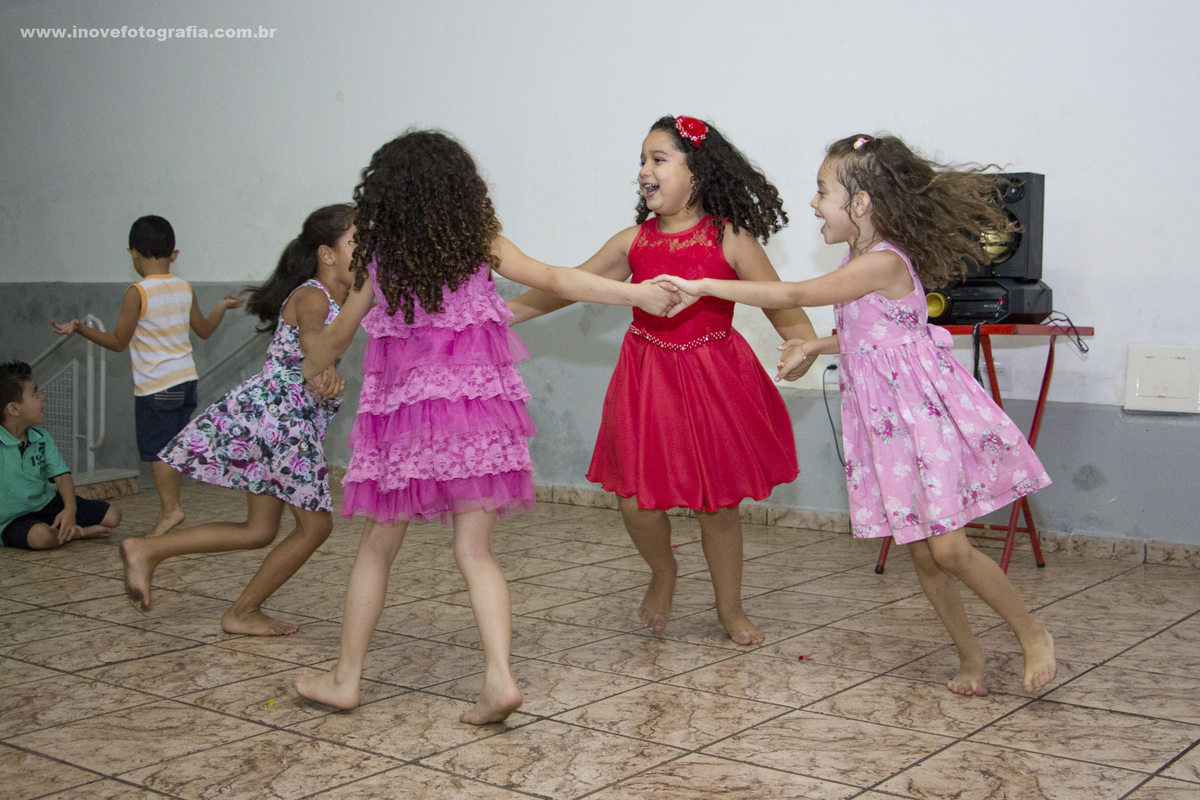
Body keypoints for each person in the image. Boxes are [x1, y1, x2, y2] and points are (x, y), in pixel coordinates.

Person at [292, 129, 678, 724]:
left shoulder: (379, 262)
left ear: (385, 196)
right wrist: (637, 295)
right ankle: (498, 678)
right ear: (460, 190)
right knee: (476, 552)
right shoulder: (481, 244)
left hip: (405, 427)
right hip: (478, 419)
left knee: (377, 546)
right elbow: (558, 278)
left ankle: (346, 679)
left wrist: (313, 362)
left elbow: (337, 337)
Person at [657, 133, 1057, 695]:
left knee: (948, 548)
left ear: (861, 202)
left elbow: (795, 293)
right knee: (922, 554)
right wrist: (813, 347)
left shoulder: (883, 263)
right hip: (889, 428)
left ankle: (1032, 634)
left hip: (922, 419)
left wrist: (702, 284)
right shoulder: (857, 261)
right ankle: (970, 656)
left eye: (823, 192)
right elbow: (869, 337)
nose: (814, 203)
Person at [507, 116, 818, 646]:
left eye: (658, 159)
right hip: (646, 379)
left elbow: (781, 303)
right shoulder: (632, 242)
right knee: (635, 500)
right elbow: (567, 286)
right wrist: (502, 314)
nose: (643, 171)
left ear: (697, 172)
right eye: (641, 161)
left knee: (717, 506)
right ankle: (663, 571)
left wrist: (802, 343)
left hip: (714, 378)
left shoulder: (731, 237)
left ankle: (730, 607)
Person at [119, 204, 356, 636]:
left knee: (258, 530)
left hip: (275, 420)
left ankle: (148, 551)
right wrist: (322, 366)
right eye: (357, 241)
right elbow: (311, 335)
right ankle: (243, 611)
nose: (367, 249)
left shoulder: (342, 297)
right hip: (282, 421)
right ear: (327, 254)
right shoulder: (314, 295)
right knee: (315, 528)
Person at [52, 215, 243, 538]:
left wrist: (80, 328)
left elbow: (118, 342)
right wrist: (221, 307)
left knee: (158, 451)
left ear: (133, 254)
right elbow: (204, 330)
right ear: (174, 255)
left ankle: (171, 509)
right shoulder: (184, 287)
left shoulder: (137, 292)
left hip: (157, 386)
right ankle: (170, 508)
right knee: (173, 448)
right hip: (187, 383)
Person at [1, 360, 122, 550]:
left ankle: (66, 529)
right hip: (13, 520)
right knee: (41, 538)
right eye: (35, 393)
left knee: (114, 516)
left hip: (47, 504)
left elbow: (62, 476)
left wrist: (70, 509)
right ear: (14, 409)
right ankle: (75, 534)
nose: (42, 397)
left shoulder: (41, 436)